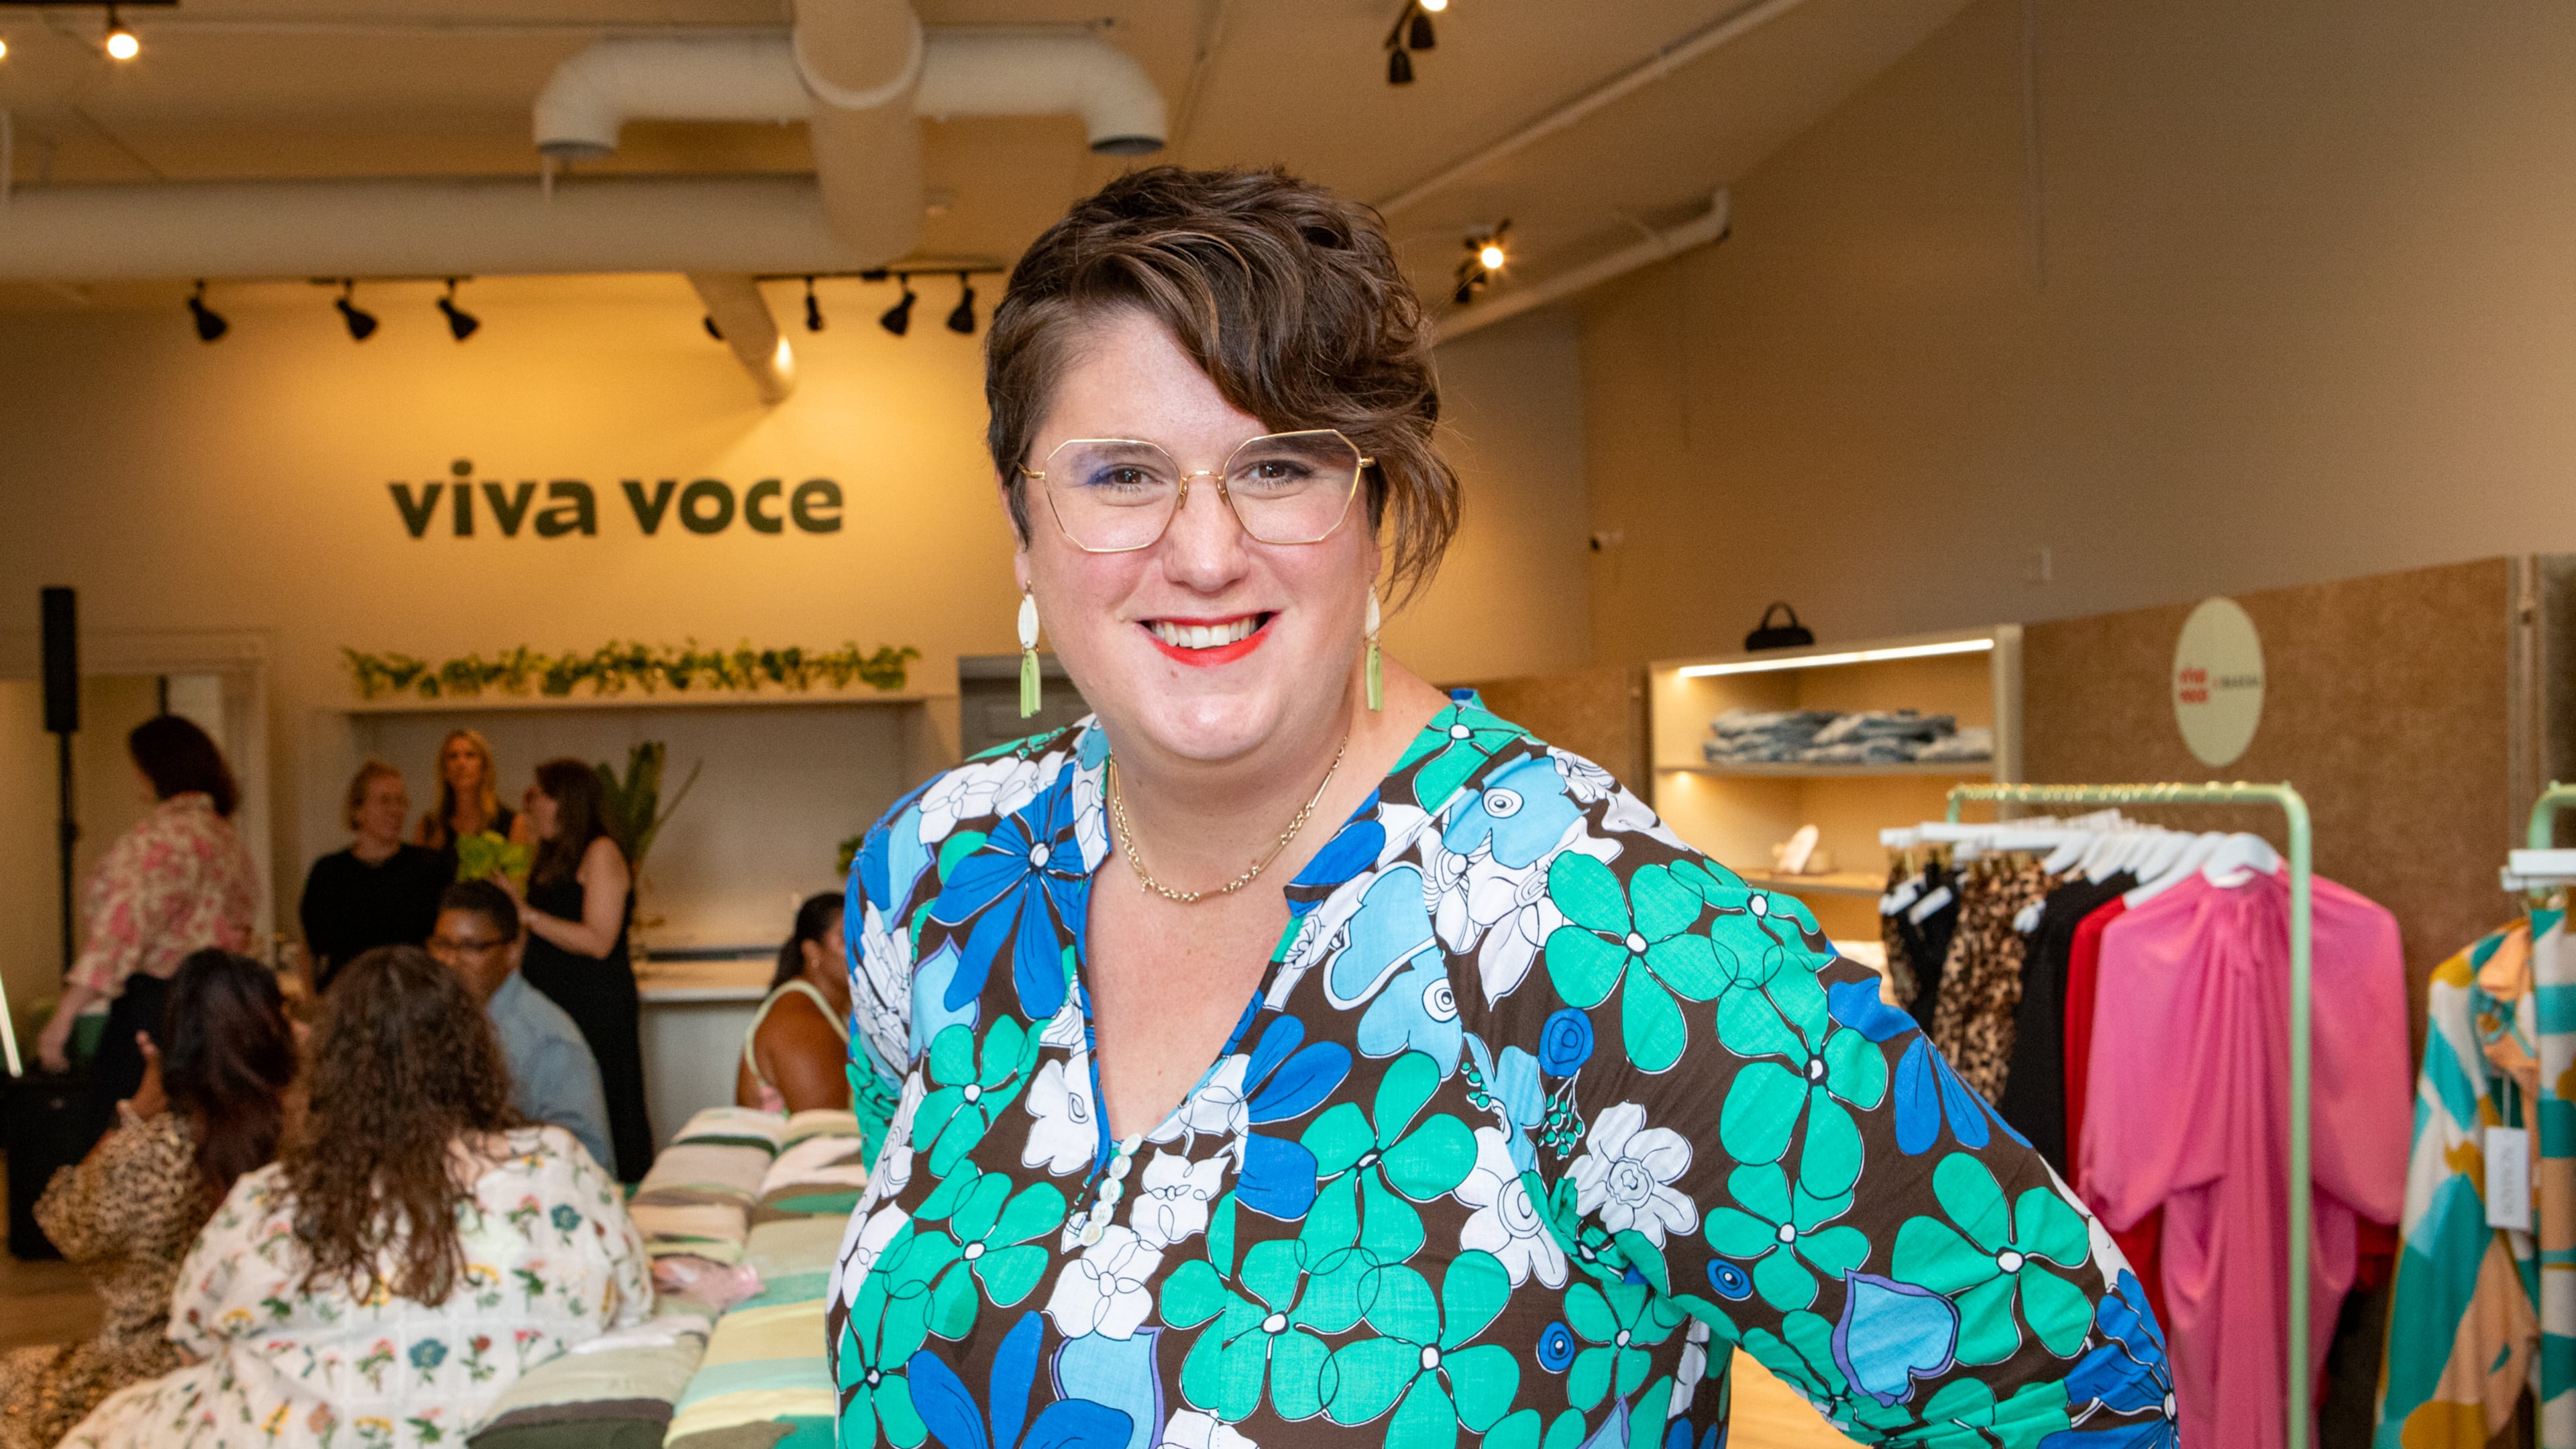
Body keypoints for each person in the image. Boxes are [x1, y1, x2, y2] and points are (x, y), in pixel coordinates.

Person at [824, 167, 2177, 1449]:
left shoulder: (1590, 923)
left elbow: (2067, 1385)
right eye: (1121, 474)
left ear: (1376, 504)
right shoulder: (938, 874)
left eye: (1280, 465)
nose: (1204, 547)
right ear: (1022, 526)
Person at [60, 946, 651, 1449]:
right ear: (474, 1055)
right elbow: (633, 1295)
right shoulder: (556, 1165)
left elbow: (193, 1339)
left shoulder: (267, 1201)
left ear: (331, 1066)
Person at [0, 949, 297, 1449]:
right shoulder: (303, 1142)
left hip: (151, 1375)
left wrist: (133, 1112)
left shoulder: (150, 1148)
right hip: (277, 1372)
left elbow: (63, 1223)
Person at [36, 714, 260, 1103]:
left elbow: (121, 932)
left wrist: (63, 1018)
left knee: (124, 1135)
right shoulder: (229, 842)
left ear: (156, 769)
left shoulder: (158, 841)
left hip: (159, 1014)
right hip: (223, 1013)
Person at [503, 759, 652, 1181]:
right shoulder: (552, 855)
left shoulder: (601, 851)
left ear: (566, 801)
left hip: (593, 1001)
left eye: (541, 796)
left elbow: (599, 940)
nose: (532, 806)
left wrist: (527, 915)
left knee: (602, 1099)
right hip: (552, 997)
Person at [429, 879, 614, 1173]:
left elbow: (588, 1159)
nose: (450, 961)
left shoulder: (548, 1038)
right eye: (442, 945)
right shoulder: (434, 1017)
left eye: (471, 947)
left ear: (512, 952)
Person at [298, 759, 447, 993]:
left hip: (410, 998)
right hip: (346, 1001)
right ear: (358, 811)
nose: (395, 810)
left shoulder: (428, 867)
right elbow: (309, 949)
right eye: (384, 800)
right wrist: (312, 1003)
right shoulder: (329, 872)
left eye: (400, 801)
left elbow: (442, 943)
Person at [734, 892, 851, 1113]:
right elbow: (825, 1139)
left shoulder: (836, 1009)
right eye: (846, 940)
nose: (862, 949)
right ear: (812, 951)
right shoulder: (801, 1023)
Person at [412, 727, 519, 852]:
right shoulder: (429, 827)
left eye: (470, 755)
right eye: (453, 756)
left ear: (484, 767)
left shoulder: (511, 823)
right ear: (445, 770)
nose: (461, 764)